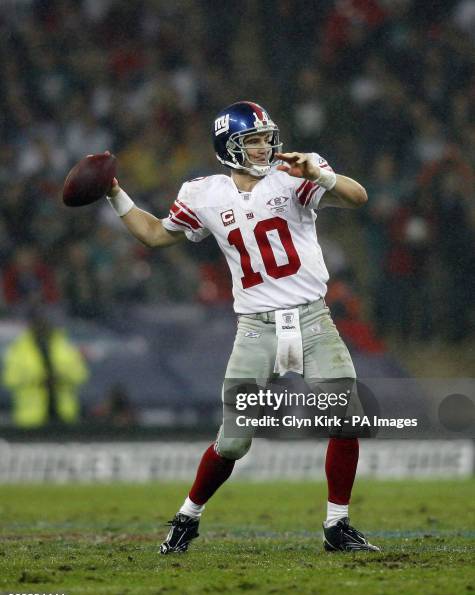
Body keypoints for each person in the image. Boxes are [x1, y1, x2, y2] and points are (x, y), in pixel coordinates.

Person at [105, 100, 379, 553]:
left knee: (346, 419)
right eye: (253, 140)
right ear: (229, 147)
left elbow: (358, 197)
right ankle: (186, 517)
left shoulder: (295, 175)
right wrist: (115, 193)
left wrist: (321, 174)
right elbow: (153, 234)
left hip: (313, 318)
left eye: (267, 137)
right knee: (233, 442)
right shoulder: (204, 193)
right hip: (256, 328)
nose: (264, 147)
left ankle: (337, 524)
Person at [2, 307, 89, 427]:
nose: (42, 326)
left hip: (64, 414)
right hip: (31, 417)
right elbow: (10, 380)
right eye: (38, 322)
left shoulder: (64, 347)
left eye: (44, 321)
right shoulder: (19, 350)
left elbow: (81, 376)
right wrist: (38, 380)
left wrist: (60, 378)